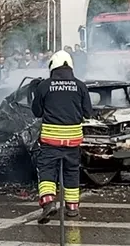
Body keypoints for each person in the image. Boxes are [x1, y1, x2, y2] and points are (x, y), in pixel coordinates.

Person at [31, 50, 91, 222]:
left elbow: (36, 112)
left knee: (47, 170)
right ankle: (72, 208)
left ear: (52, 66)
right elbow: (88, 112)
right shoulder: (80, 86)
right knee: (72, 172)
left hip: (51, 141)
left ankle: (49, 202)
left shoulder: (44, 86)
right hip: (73, 141)